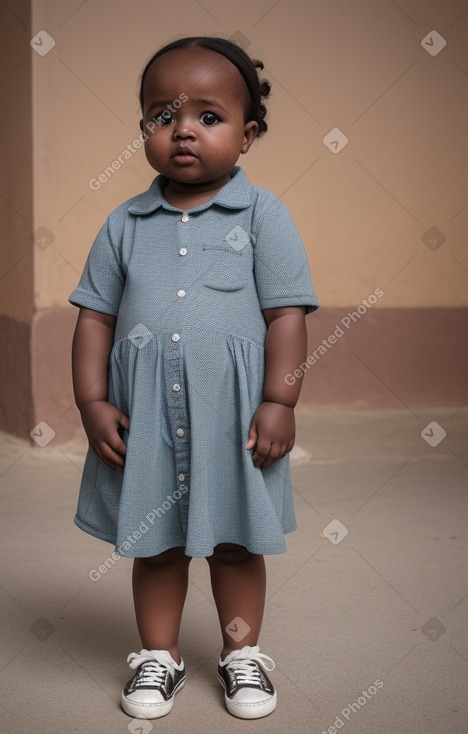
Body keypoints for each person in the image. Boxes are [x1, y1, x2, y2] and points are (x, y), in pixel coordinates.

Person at [69, 35, 319, 721]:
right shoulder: (123, 223)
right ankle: (159, 657)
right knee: (156, 544)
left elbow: (286, 315)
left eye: (209, 116)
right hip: (144, 417)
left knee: (235, 542)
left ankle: (242, 656)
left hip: (231, 419)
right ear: (145, 129)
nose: (183, 129)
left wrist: (279, 399)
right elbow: (93, 318)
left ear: (248, 134)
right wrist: (91, 400)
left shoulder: (263, 215)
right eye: (163, 114)